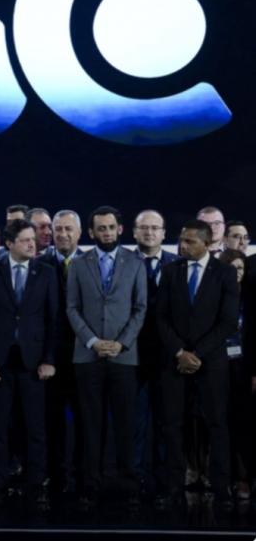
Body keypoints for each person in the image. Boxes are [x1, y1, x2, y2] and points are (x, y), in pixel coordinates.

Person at [156, 220, 239, 510]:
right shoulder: (170, 271)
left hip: (211, 363)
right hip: (174, 362)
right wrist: (180, 352)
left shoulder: (225, 273)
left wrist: (196, 354)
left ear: (206, 242)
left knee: (217, 425)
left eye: (189, 241)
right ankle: (173, 488)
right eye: (182, 240)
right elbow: (160, 317)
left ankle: (221, 489)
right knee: (172, 425)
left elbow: (228, 322)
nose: (182, 246)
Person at [67, 206, 146, 507]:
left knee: (126, 423)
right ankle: (91, 482)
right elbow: (72, 308)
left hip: (124, 357)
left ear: (120, 229)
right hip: (87, 356)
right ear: (91, 232)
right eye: (101, 228)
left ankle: (128, 482)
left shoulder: (136, 262)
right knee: (90, 423)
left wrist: (121, 344)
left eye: (111, 227)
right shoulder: (78, 264)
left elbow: (140, 308)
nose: (107, 232)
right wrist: (92, 341)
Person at [0, 219, 58, 504]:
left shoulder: (46, 272)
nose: (32, 244)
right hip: (0, 363)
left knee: (36, 427)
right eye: (25, 240)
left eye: (32, 239)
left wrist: (49, 359)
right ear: (9, 244)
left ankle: (37, 483)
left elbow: (53, 320)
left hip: (34, 363)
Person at [131, 209, 178, 495]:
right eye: (144, 227)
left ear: (163, 233)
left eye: (155, 228)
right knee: (134, 422)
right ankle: (134, 478)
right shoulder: (123, 263)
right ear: (134, 232)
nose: (149, 232)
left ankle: (164, 480)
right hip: (132, 355)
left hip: (168, 357)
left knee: (166, 422)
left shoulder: (178, 264)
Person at [38, 209, 83, 493]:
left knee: (85, 419)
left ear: (79, 233)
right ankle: (55, 475)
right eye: (58, 229)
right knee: (51, 419)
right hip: (50, 357)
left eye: (68, 229)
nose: (63, 234)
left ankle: (82, 475)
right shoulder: (39, 264)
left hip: (84, 355)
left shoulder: (92, 263)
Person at [218, 249, 252, 501]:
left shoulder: (250, 298)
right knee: (220, 424)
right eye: (231, 269)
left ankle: (244, 478)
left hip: (245, 368)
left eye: (240, 268)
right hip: (218, 367)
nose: (236, 273)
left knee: (244, 424)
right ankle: (223, 477)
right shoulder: (214, 295)